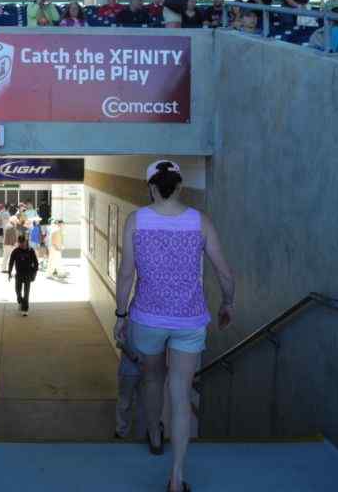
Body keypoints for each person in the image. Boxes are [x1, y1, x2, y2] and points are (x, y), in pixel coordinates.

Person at [113, 160, 235, 492]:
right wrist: (227, 302)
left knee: (152, 378)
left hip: (147, 318)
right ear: (180, 186)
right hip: (190, 320)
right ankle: (177, 478)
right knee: (180, 394)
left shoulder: (136, 220)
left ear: (150, 186)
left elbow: (126, 274)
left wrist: (121, 315)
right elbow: (224, 272)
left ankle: (154, 433)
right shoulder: (200, 222)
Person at [114, 332, 142, 439]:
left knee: (143, 404)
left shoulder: (152, 320)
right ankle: (121, 432)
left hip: (146, 372)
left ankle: (142, 434)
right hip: (128, 371)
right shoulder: (125, 321)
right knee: (125, 403)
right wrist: (136, 358)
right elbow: (120, 342)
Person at [8, 235, 38, 316]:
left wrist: (34, 273)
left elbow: (36, 263)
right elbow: (11, 262)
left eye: (22, 243)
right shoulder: (16, 251)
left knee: (26, 292)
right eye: (19, 243)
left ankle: (25, 309)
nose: (21, 245)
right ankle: (20, 301)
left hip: (28, 274)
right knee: (17, 291)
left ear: (26, 241)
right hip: (19, 274)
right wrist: (9, 272)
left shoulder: (31, 251)